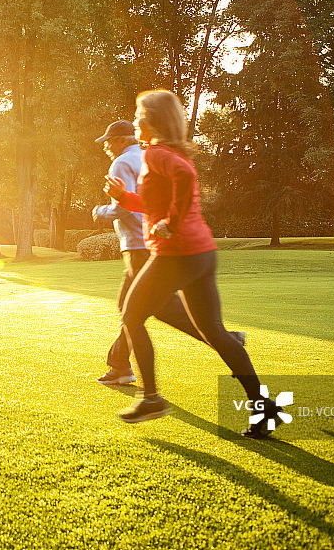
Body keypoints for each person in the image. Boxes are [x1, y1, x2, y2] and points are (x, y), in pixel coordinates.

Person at [104, 90, 282, 437]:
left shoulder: (156, 153)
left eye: (139, 115)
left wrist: (170, 222)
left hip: (177, 255)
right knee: (215, 332)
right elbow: (157, 202)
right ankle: (265, 408)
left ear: (154, 121)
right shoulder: (164, 152)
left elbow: (185, 178)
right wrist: (124, 198)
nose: (135, 121)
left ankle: (152, 397)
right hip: (201, 254)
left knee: (130, 314)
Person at [91, 120, 243, 387]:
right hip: (154, 242)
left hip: (140, 245)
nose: (106, 147)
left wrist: (100, 211)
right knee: (143, 309)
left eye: (109, 141)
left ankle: (226, 341)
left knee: (143, 310)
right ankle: (119, 365)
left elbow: (123, 207)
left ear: (121, 140)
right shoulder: (148, 158)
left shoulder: (122, 163)